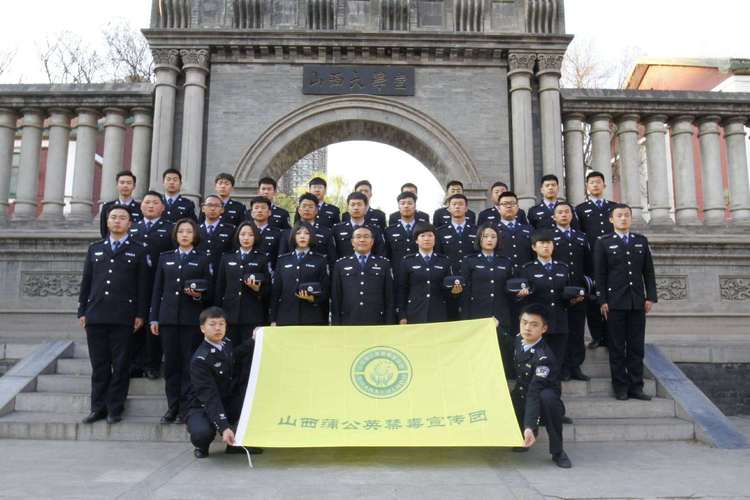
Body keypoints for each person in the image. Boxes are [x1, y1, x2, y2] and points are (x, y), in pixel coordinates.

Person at [78, 206, 149, 425]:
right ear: (107, 222)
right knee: (99, 365)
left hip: (124, 316)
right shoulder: (95, 249)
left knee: (120, 366)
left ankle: (114, 408)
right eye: (113, 218)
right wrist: (82, 310)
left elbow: (142, 286)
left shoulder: (138, 250)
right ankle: (97, 407)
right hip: (96, 315)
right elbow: (87, 282)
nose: (117, 221)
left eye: (122, 218)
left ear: (130, 223)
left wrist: (140, 314)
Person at [150, 218, 213, 424]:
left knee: (189, 366)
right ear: (175, 235)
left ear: (195, 235)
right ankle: (172, 407)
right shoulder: (165, 258)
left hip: (191, 320)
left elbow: (209, 293)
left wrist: (197, 295)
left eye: (188, 231)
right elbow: (157, 289)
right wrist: (154, 318)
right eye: (181, 232)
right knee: (171, 366)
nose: (184, 235)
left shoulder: (202, 258)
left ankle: (187, 409)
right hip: (168, 319)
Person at [594, 203, 657, 401]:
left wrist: (650, 297)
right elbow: (600, 274)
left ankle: (636, 387)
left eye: (627, 215)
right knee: (617, 347)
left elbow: (648, 272)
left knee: (636, 346)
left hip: (637, 301)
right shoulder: (603, 242)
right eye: (619, 215)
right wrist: (602, 300)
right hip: (614, 303)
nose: (623, 218)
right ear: (611, 219)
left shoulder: (640, 241)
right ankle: (620, 387)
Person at [511, 303, 571, 469]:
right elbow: (509, 341)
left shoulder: (544, 358)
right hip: (523, 393)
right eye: (524, 322)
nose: (527, 328)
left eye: (534, 324)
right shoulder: (519, 339)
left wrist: (529, 425)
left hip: (542, 398)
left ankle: (558, 452)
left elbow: (534, 392)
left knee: (547, 398)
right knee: (509, 395)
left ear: (544, 329)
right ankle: (523, 435)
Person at [185, 307, 251, 459]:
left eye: (221, 324)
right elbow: (210, 397)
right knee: (202, 433)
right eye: (212, 324)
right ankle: (202, 446)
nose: (218, 328)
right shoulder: (200, 360)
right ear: (203, 328)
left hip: (226, 399)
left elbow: (234, 356)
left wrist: (254, 340)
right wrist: (224, 428)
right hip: (202, 406)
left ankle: (234, 444)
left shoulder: (225, 343)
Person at [129, 191, 175, 380]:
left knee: (153, 324)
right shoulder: (133, 228)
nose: (150, 206)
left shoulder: (170, 228)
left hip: (159, 283)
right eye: (147, 202)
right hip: (135, 284)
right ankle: (135, 363)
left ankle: (152, 364)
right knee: (135, 323)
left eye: (155, 203)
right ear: (141, 206)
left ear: (162, 207)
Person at [461, 223, 517, 378]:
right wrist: (466, 318)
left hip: (501, 313)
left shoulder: (506, 261)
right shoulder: (469, 261)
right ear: (479, 239)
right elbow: (465, 292)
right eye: (485, 236)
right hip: (478, 314)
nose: (489, 240)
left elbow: (510, 289)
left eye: (493, 236)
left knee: (502, 351)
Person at [518, 230, 575, 371]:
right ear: (534, 247)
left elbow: (567, 294)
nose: (546, 246)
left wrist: (574, 299)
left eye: (549, 243)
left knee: (556, 362)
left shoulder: (563, 268)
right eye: (542, 243)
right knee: (536, 364)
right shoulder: (527, 269)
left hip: (558, 322)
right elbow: (523, 299)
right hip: (537, 324)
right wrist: (521, 295)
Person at [575, 171, 616, 350]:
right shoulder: (581, 209)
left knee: (612, 297)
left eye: (598, 182)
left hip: (612, 261)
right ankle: (597, 336)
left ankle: (611, 335)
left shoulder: (614, 208)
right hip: (591, 261)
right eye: (591, 183)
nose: (595, 185)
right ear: (587, 187)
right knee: (593, 299)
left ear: (604, 185)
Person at [214, 221, 270, 345]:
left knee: (249, 353)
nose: (246, 238)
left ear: (255, 237)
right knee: (230, 352)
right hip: (229, 314)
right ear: (237, 236)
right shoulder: (227, 258)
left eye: (250, 235)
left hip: (252, 315)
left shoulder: (262, 258)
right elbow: (220, 288)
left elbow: (268, 290)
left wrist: (257, 289)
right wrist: (217, 314)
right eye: (243, 234)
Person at [552, 202, 591, 381]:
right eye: (560, 212)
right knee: (562, 331)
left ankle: (576, 366)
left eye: (567, 212)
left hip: (578, 290)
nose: (564, 215)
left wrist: (588, 287)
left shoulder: (581, 237)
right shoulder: (550, 238)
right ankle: (563, 367)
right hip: (558, 291)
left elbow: (588, 264)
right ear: (554, 217)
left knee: (577, 330)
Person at [397, 223, 462, 324]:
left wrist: (454, 291)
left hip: (438, 312)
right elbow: (402, 290)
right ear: (416, 240)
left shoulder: (444, 261)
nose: (426, 239)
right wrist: (402, 315)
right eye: (422, 236)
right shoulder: (407, 261)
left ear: (435, 239)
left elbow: (448, 289)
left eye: (430, 235)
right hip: (414, 312)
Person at [331, 226, 395, 325]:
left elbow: (389, 296)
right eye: (358, 236)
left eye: (366, 236)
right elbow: (336, 297)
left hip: (376, 319)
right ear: (352, 242)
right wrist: (336, 323)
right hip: (349, 319)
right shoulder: (341, 264)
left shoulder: (384, 264)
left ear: (372, 241)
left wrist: (389, 322)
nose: (362, 239)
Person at [270, 222, 330, 326]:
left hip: (312, 317)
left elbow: (325, 290)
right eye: (298, 233)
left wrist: (313, 299)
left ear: (311, 236)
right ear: (293, 236)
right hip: (286, 317)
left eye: (306, 233)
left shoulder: (320, 260)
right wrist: (273, 319)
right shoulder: (283, 260)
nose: (302, 236)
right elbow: (276, 292)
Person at [436, 193, 477, 320]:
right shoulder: (440, 232)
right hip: (448, 280)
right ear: (449, 208)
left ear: (466, 208)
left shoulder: (476, 230)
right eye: (454, 204)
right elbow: (438, 256)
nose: (457, 207)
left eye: (461, 204)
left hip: (472, 280)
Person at [280, 193, 337, 268]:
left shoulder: (326, 232)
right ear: (299, 210)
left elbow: (332, 259)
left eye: (310, 207)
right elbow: (281, 259)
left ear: (316, 210)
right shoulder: (287, 233)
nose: (307, 209)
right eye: (304, 206)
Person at [332, 192, 385, 258]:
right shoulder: (337, 229)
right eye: (352, 204)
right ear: (347, 208)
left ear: (366, 208)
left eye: (359, 204)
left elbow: (380, 253)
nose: (356, 208)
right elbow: (333, 253)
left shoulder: (375, 230)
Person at [493, 191, 535, 273]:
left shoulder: (529, 229)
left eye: (512, 203)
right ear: (498, 208)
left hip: (525, 274)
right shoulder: (493, 230)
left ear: (518, 207)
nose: (509, 206)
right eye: (504, 204)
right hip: (501, 274)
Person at [384, 191, 420, 275]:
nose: (406, 206)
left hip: (419, 274)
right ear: (398, 207)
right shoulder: (389, 231)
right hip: (397, 273)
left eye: (409, 203)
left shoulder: (423, 228)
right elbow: (387, 254)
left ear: (415, 206)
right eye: (402, 203)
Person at [197, 195, 236, 272]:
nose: (212, 208)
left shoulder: (231, 230)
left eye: (217, 206)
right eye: (209, 205)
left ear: (222, 210)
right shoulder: (195, 229)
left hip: (221, 270)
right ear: (203, 208)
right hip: (199, 270)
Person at [99, 170, 142, 238]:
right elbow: (104, 231)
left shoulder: (141, 208)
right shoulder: (107, 207)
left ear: (134, 186)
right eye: (122, 183)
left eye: (129, 183)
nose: (125, 186)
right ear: (117, 185)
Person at [249, 196, 285, 270]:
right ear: (251, 213)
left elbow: (280, 257)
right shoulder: (244, 232)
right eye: (256, 208)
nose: (259, 210)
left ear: (269, 212)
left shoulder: (278, 233)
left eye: (263, 208)